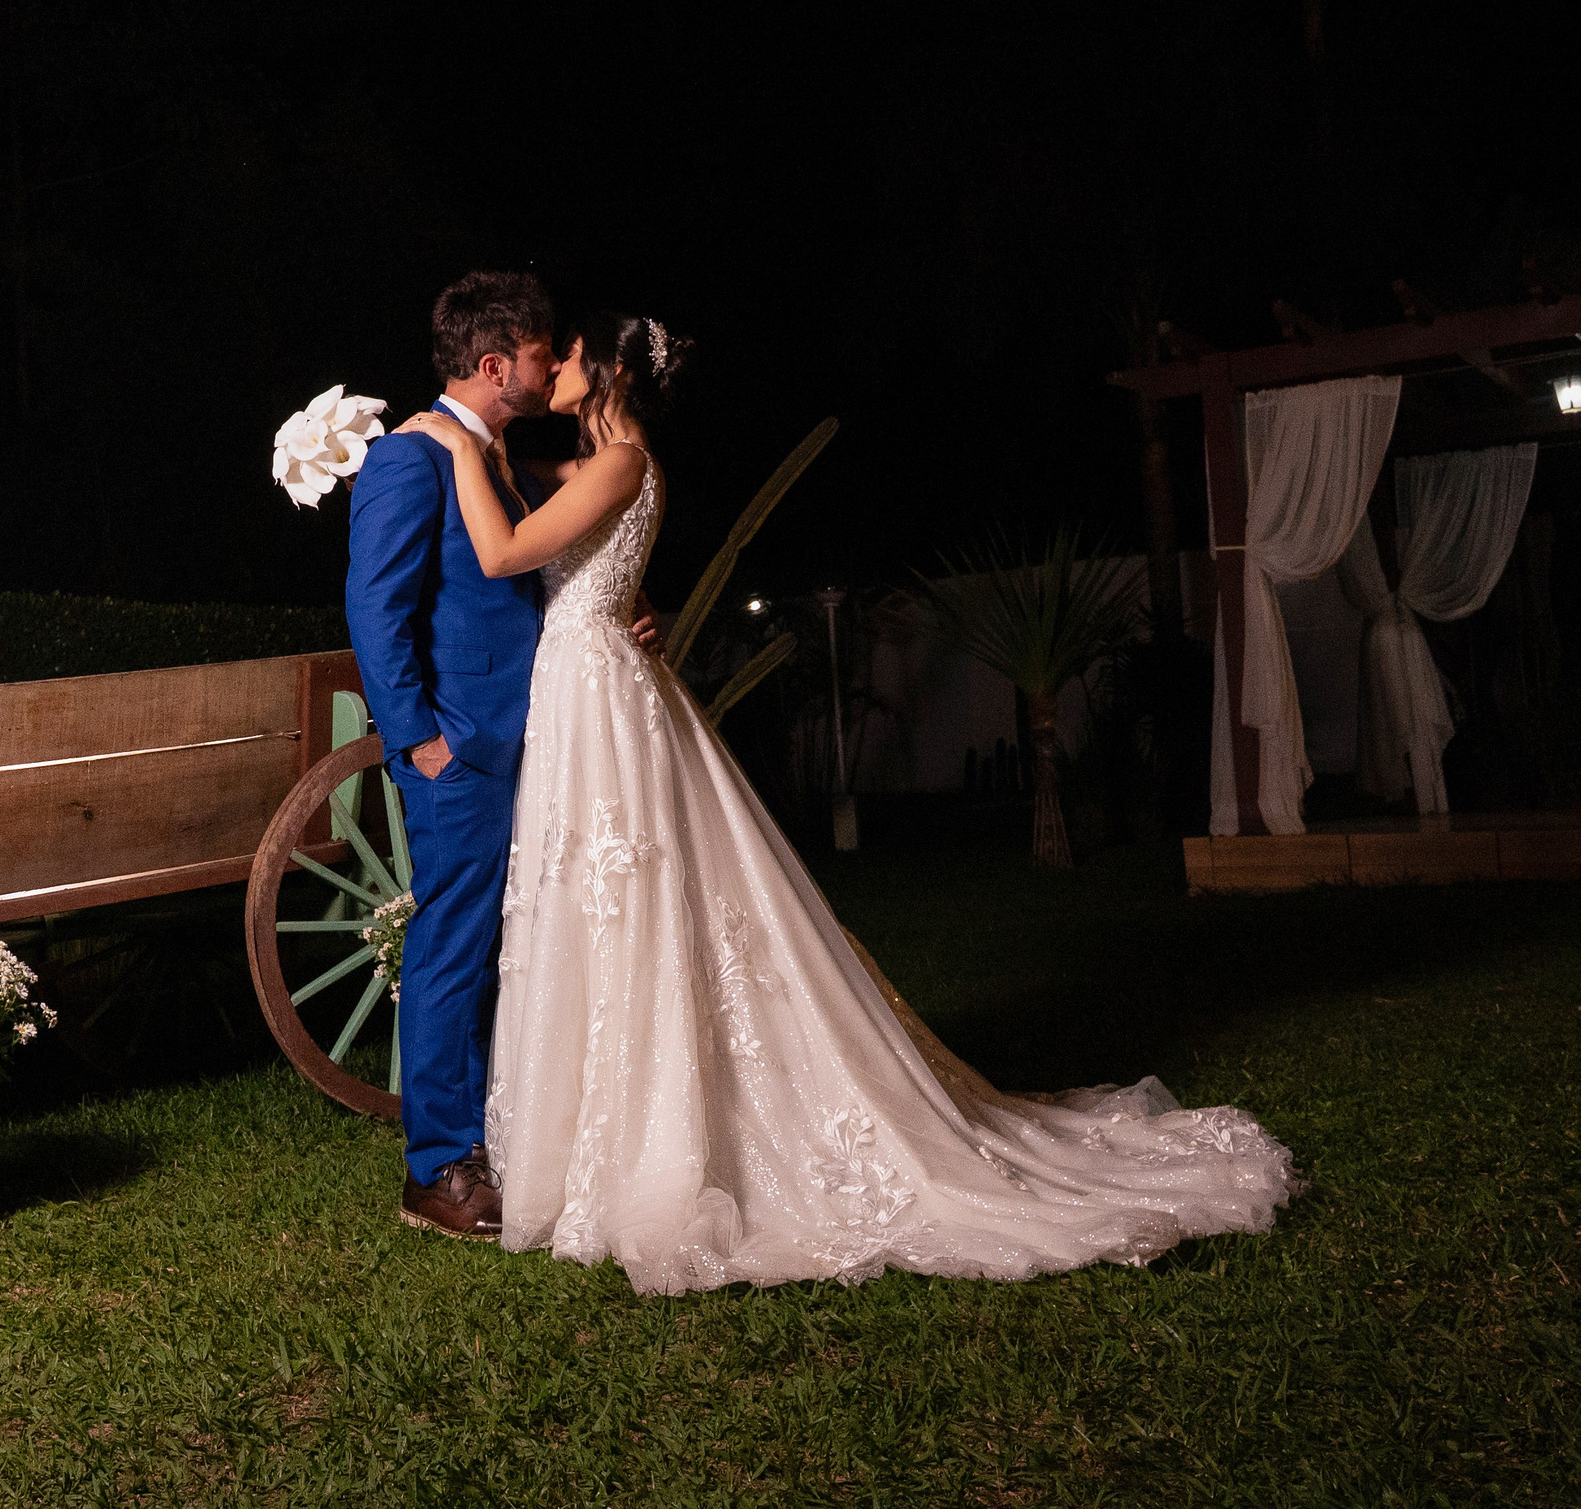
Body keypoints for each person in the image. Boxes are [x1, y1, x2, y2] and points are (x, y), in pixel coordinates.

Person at [395, 314, 1300, 1295]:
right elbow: (574, 551)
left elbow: (501, 553)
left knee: (628, 889)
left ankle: (652, 1139)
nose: (555, 367)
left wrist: (451, 444)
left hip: (596, 692)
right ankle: (588, 1132)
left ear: (606, 373)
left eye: (568, 356)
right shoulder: (594, 465)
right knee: (589, 896)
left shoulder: (617, 460)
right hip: (582, 682)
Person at [343, 271, 660, 1240]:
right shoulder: (411, 457)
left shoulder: (504, 462)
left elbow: (533, 577)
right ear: (494, 364)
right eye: (538, 349)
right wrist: (419, 741)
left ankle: (504, 1135)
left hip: (546, 743)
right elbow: (375, 610)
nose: (551, 359)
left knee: (510, 947)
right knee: (452, 949)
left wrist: (607, 624)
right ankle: (437, 1170)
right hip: (462, 750)